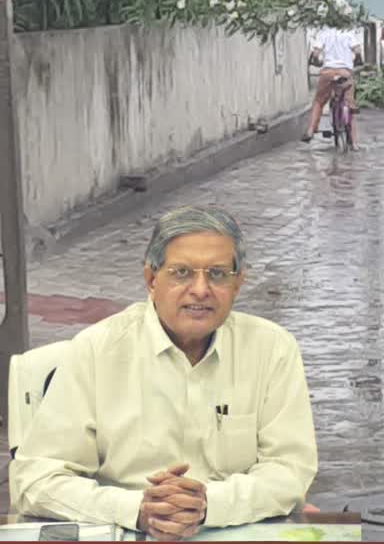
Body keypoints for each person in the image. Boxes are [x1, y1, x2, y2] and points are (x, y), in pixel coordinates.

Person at [9, 205, 318, 541]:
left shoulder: (272, 349)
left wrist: (206, 505)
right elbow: (36, 479)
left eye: (217, 274)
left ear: (238, 283)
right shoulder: (96, 351)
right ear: (151, 279)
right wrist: (138, 509)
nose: (201, 290)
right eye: (182, 273)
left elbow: (290, 471)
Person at [303, 26, 363, 149]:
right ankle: (354, 143)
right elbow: (357, 50)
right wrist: (357, 59)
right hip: (345, 72)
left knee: (319, 101)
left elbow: (316, 52)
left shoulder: (324, 32)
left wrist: (315, 60)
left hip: (328, 73)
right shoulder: (348, 32)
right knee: (349, 103)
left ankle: (310, 131)